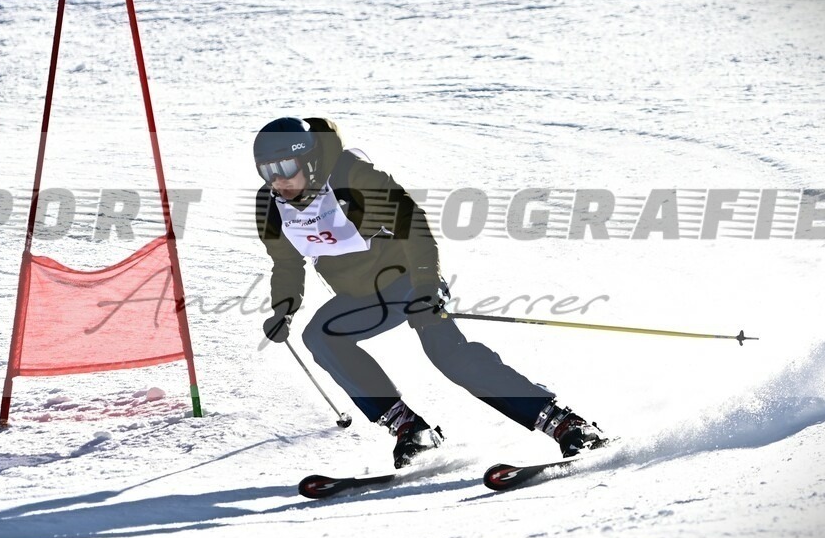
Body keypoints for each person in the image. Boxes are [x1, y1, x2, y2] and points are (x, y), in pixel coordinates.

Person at [253, 116, 607, 468]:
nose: (278, 180)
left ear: (311, 160)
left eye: (286, 166)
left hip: (409, 280)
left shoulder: (352, 176)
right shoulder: (271, 206)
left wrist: (427, 286)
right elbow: (286, 263)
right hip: (362, 296)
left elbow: (412, 223)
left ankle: (567, 425)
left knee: (448, 354)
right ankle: (410, 429)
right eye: (267, 171)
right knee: (321, 336)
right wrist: (284, 308)